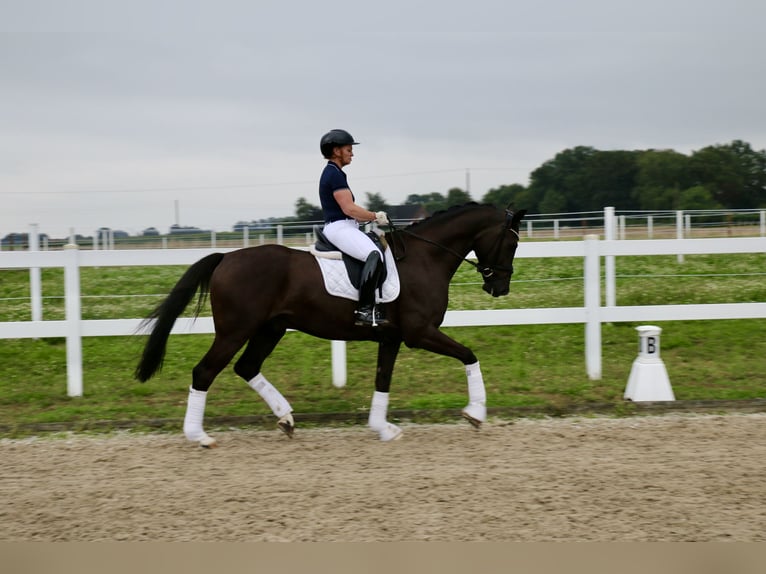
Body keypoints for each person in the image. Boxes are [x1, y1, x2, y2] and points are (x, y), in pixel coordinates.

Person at [318, 129, 390, 326]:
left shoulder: (336, 173)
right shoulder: (334, 175)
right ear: (336, 151)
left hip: (345, 226)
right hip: (340, 227)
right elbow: (349, 209)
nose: (352, 153)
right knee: (373, 254)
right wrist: (375, 216)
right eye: (348, 149)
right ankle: (365, 310)